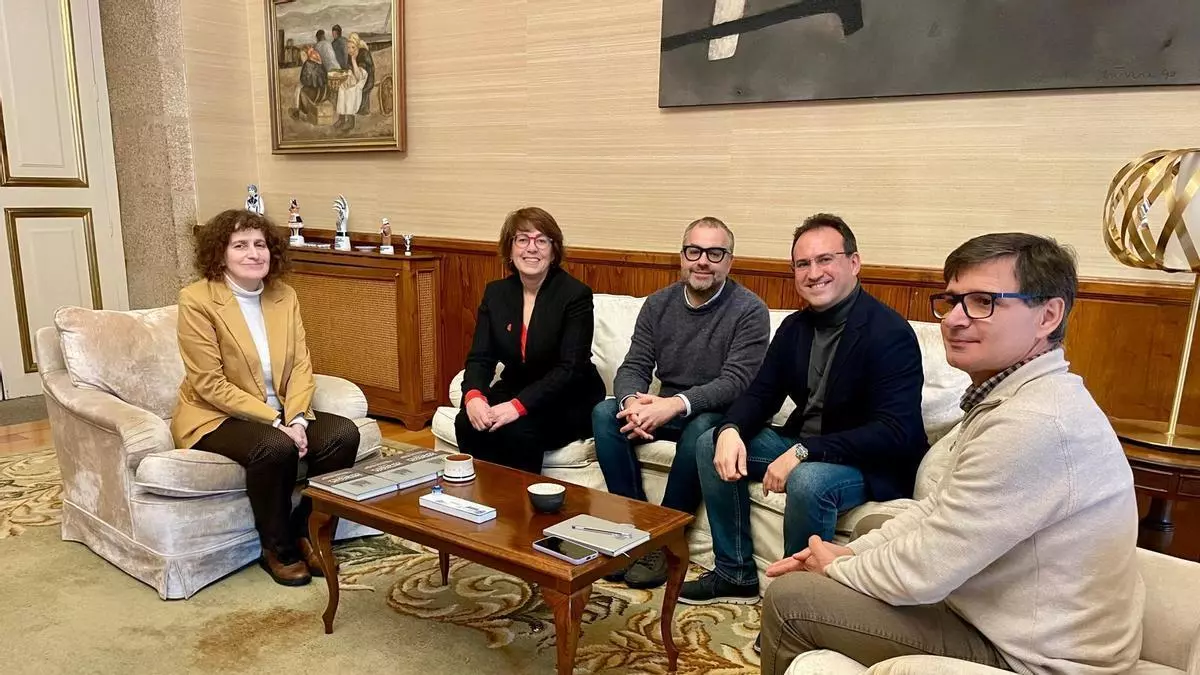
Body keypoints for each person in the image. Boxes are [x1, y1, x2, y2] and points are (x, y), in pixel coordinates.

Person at [759, 233, 1143, 675]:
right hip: (991, 617)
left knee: (791, 599)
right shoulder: (1015, 396)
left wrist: (835, 570)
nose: (955, 320)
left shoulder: (1035, 421)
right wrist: (849, 554)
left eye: (983, 302)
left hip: (1033, 656)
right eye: (953, 300)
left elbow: (927, 568)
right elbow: (938, 509)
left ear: (1048, 316)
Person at [680, 213, 926, 608]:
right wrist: (730, 430)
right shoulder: (795, 327)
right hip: (807, 443)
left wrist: (803, 451)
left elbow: (893, 431)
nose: (813, 273)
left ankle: (793, 603)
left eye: (825, 259)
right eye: (802, 264)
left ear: (854, 263)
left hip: (867, 463)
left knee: (809, 481)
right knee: (711, 441)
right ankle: (734, 573)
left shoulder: (889, 333)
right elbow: (760, 394)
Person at [171, 210, 360, 587]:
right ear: (220, 253)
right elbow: (209, 383)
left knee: (342, 435)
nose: (253, 253)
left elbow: (302, 365)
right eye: (240, 245)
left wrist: (298, 419)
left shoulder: (284, 296)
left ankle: (307, 531)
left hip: (281, 411)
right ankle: (277, 547)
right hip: (216, 415)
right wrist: (276, 423)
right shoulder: (196, 300)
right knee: (276, 447)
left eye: (260, 244)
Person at [593, 216, 770, 589]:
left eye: (714, 253)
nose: (702, 261)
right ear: (682, 256)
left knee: (702, 429)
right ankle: (632, 529)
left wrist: (673, 404)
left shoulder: (749, 310)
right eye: (694, 251)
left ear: (729, 261)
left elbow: (736, 382)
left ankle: (664, 538)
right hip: (666, 409)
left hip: (718, 415)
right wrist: (632, 403)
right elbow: (635, 365)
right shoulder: (659, 303)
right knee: (605, 413)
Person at [454, 207, 605, 474]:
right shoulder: (496, 293)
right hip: (517, 385)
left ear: (554, 251)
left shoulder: (575, 295)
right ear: (510, 248)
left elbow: (570, 368)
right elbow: (480, 357)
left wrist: (517, 407)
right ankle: (481, 495)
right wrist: (474, 396)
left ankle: (520, 500)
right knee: (468, 421)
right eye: (522, 239)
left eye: (541, 240)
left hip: (567, 395)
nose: (531, 248)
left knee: (517, 430)